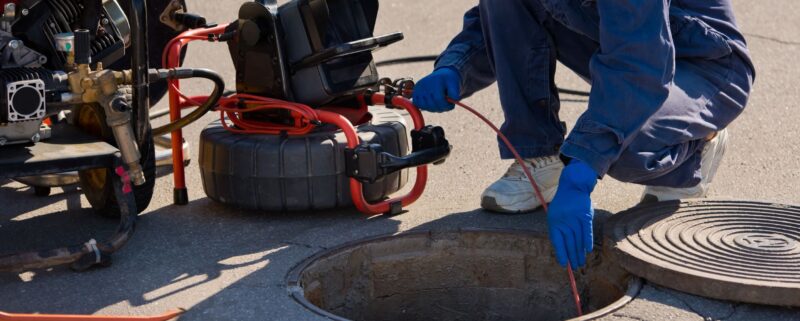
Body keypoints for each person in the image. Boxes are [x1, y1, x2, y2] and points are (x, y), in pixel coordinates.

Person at [412, 0, 755, 269]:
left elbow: (638, 64)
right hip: (618, 40)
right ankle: (538, 155)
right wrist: (455, 68)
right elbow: (501, 16)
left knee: (620, 151)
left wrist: (581, 172)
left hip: (706, 66)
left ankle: (695, 147)